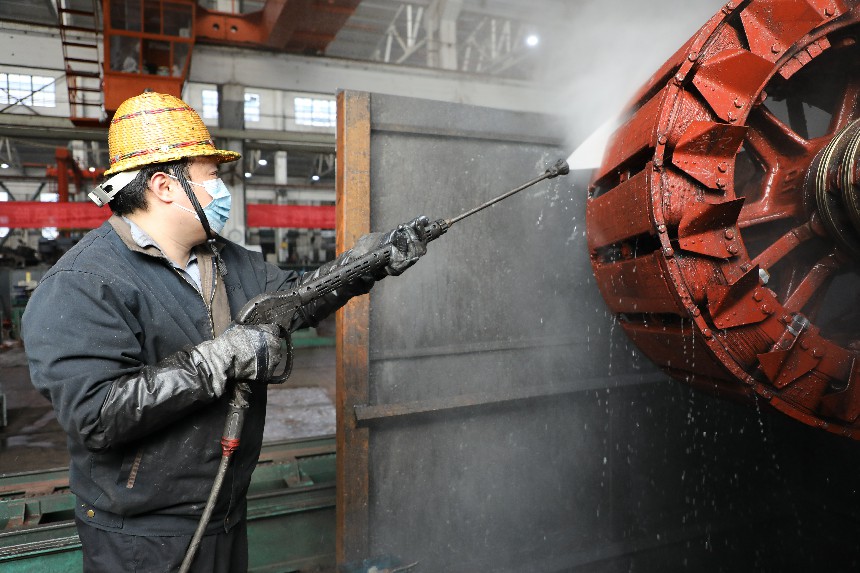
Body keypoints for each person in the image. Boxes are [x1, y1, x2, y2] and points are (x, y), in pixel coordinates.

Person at [22, 91, 428, 572]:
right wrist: (218, 359)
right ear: (164, 186)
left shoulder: (230, 262)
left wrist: (370, 263)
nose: (221, 189)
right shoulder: (84, 284)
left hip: (224, 512)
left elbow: (297, 300)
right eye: (211, 175)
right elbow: (96, 415)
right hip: (141, 536)